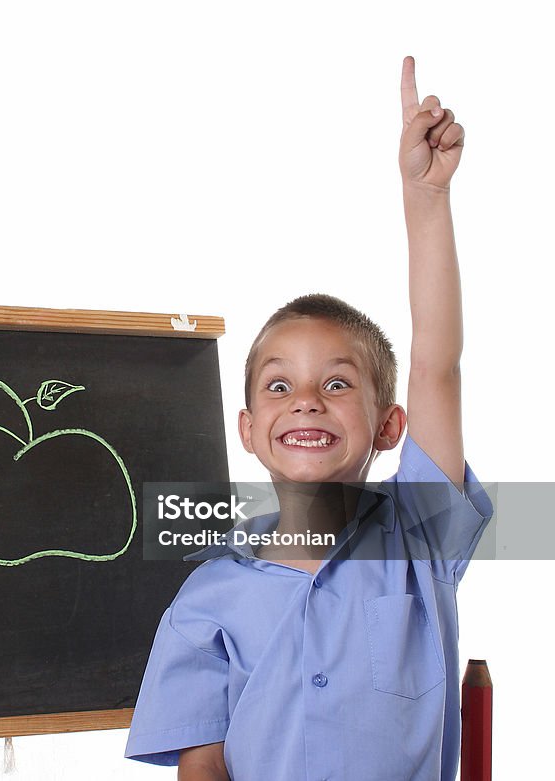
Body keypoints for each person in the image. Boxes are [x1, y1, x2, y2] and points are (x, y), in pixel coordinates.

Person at [124, 56, 493, 780]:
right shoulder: (207, 596)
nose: (306, 400)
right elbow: (204, 768)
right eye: (279, 385)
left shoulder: (421, 538)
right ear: (249, 429)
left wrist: (424, 200)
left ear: (390, 426)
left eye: (336, 383)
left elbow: (436, 366)